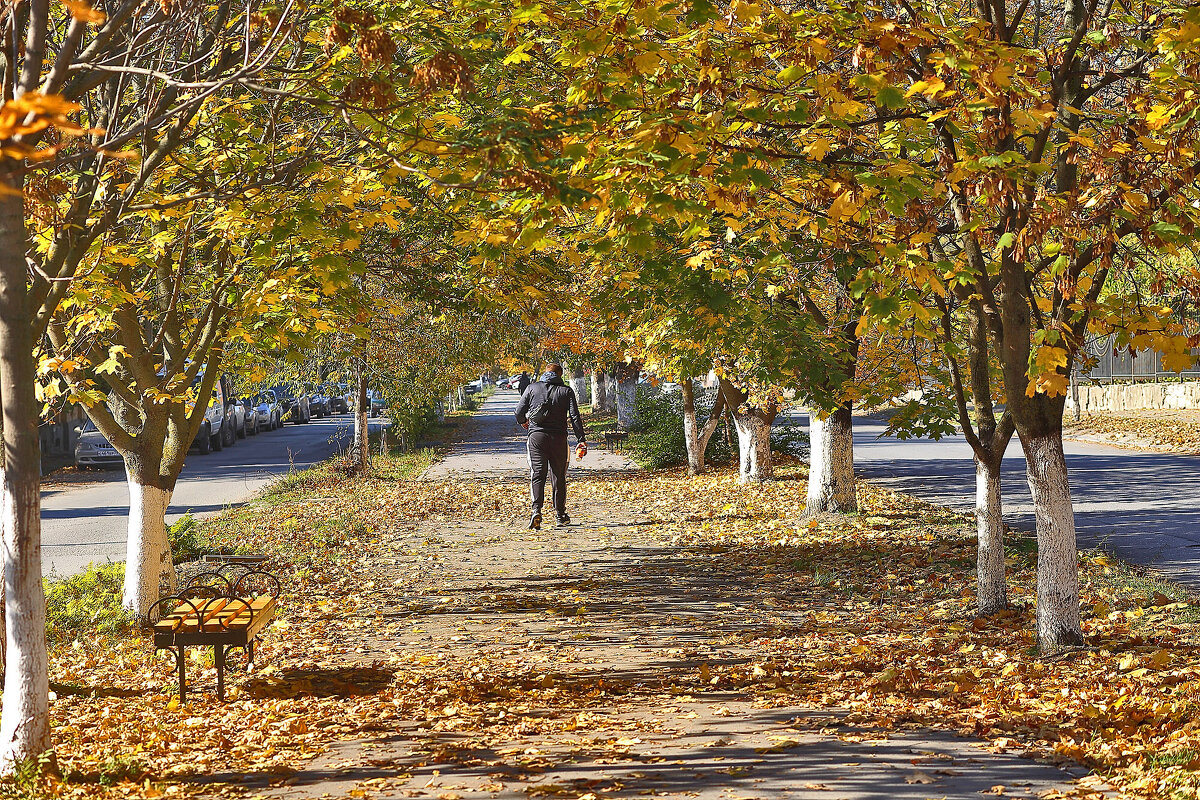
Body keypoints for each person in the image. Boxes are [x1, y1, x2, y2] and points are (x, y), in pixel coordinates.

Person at [515, 364, 587, 529]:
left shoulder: (532, 388)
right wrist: (581, 439)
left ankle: (536, 511)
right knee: (558, 476)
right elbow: (575, 416)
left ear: (545, 373)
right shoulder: (566, 391)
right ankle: (560, 515)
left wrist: (524, 421)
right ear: (560, 375)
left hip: (536, 438)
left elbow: (518, 412)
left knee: (537, 474)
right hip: (559, 439)